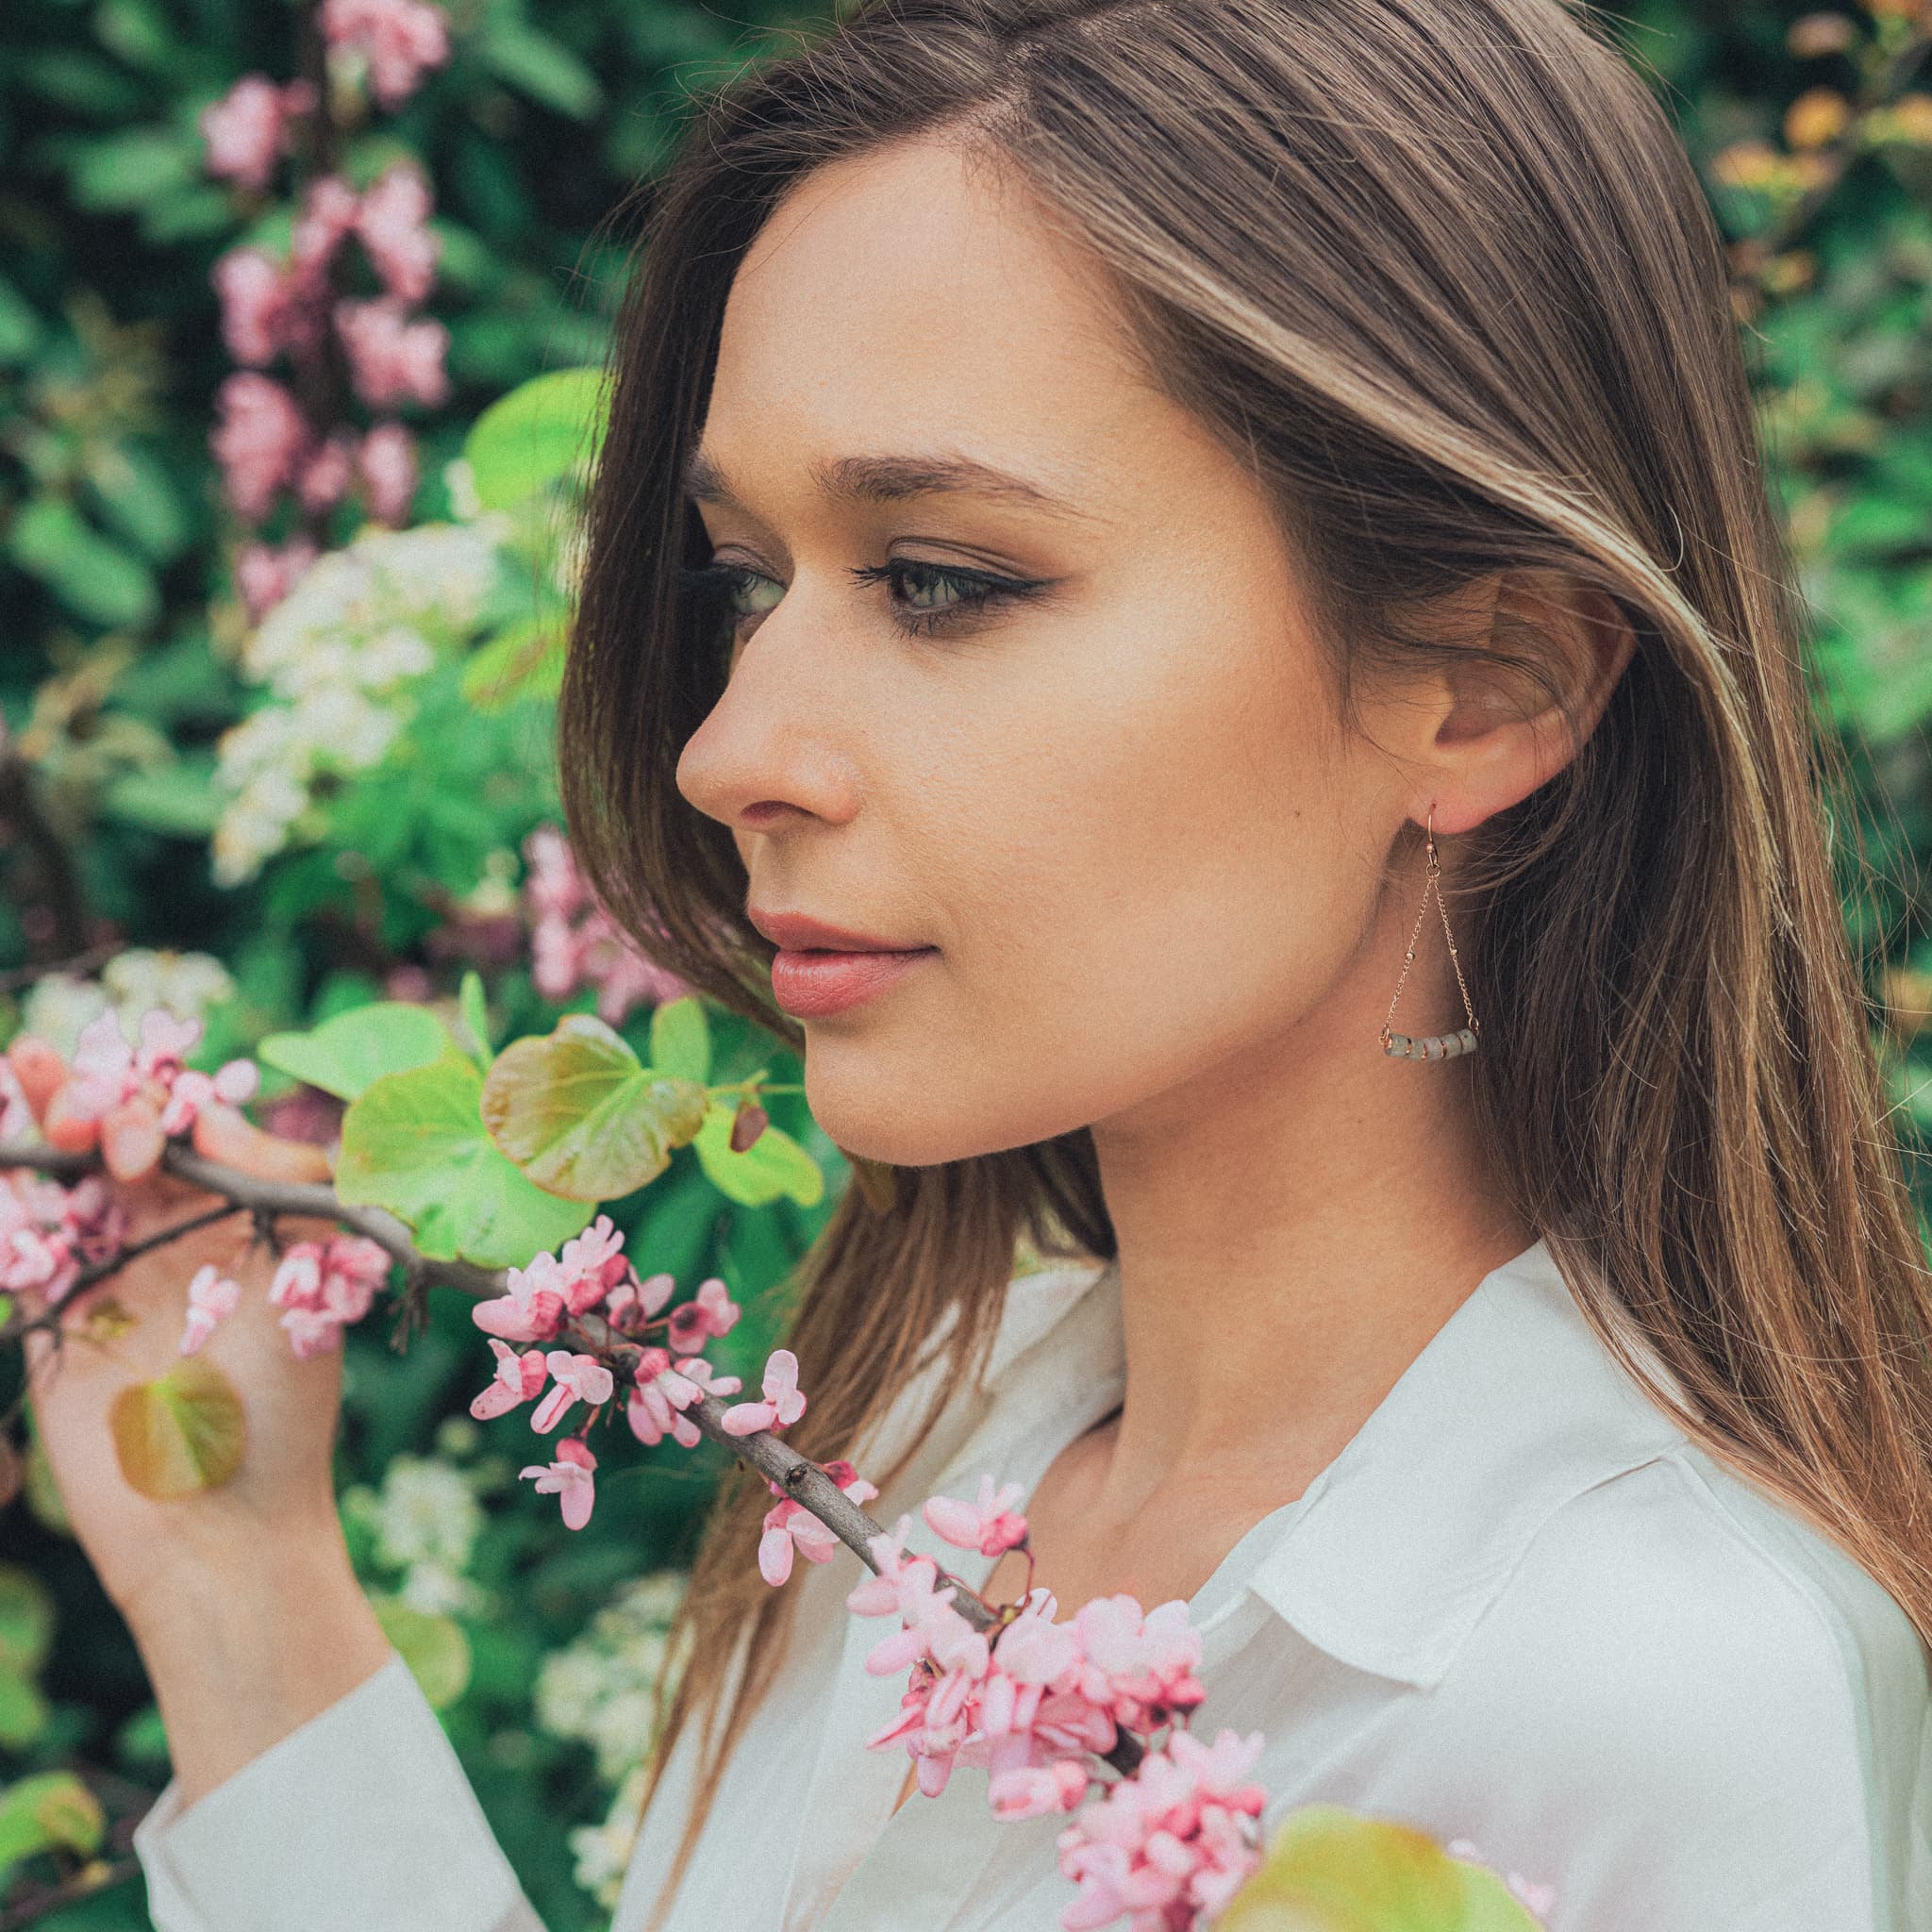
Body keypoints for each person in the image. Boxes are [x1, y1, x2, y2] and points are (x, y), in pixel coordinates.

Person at [20, 0, 1932, 1926]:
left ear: (1485, 681)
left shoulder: (1651, 1701)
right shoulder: (926, 1448)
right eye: (745, 582)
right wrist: (240, 1586)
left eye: (940, 580)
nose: (725, 751)